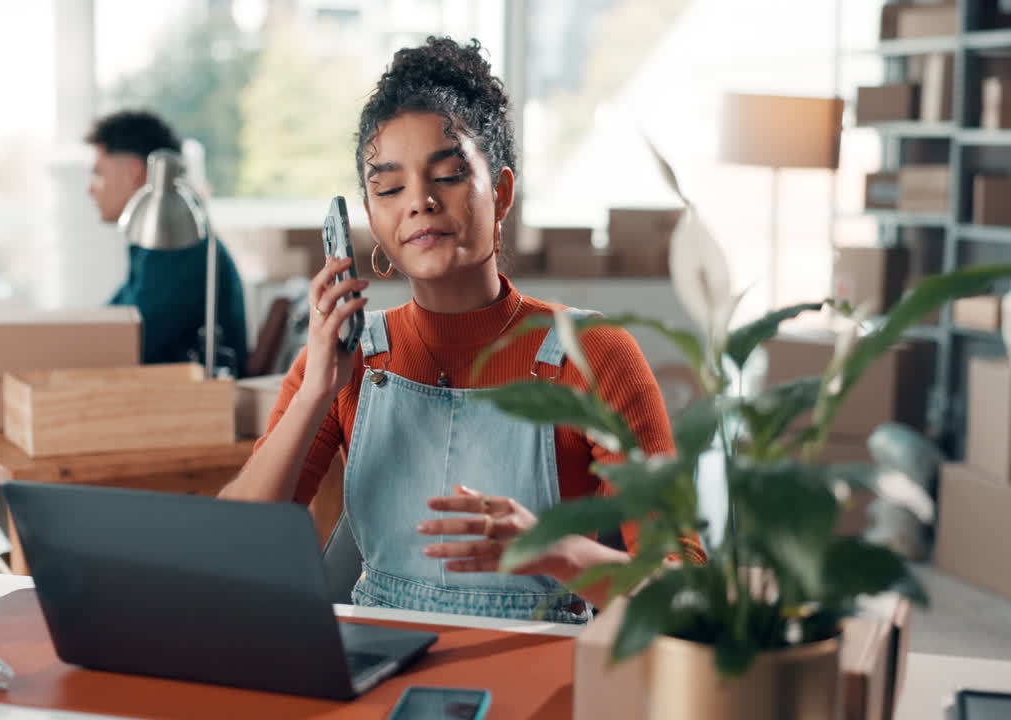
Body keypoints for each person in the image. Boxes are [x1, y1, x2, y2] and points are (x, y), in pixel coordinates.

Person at [219, 37, 703, 623]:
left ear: (500, 194)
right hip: (379, 671)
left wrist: (557, 552)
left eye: (447, 176)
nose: (419, 202)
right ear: (372, 219)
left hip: (539, 673)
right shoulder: (346, 361)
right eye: (390, 188)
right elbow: (235, 552)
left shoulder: (593, 355)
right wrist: (316, 390)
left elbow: (682, 592)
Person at [86, 110, 249, 375]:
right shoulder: (153, 242)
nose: (90, 189)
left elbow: (128, 341)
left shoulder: (177, 245)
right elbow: (113, 321)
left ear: (134, 173)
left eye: (99, 173)